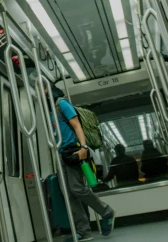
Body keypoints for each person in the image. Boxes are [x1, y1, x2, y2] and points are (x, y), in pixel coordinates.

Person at [49, 84, 115, 241]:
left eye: (41, 88)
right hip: (62, 154)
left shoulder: (62, 104)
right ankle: (83, 231)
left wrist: (84, 147)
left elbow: (77, 125)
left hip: (74, 151)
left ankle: (106, 211)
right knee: (68, 193)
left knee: (76, 188)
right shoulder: (50, 110)